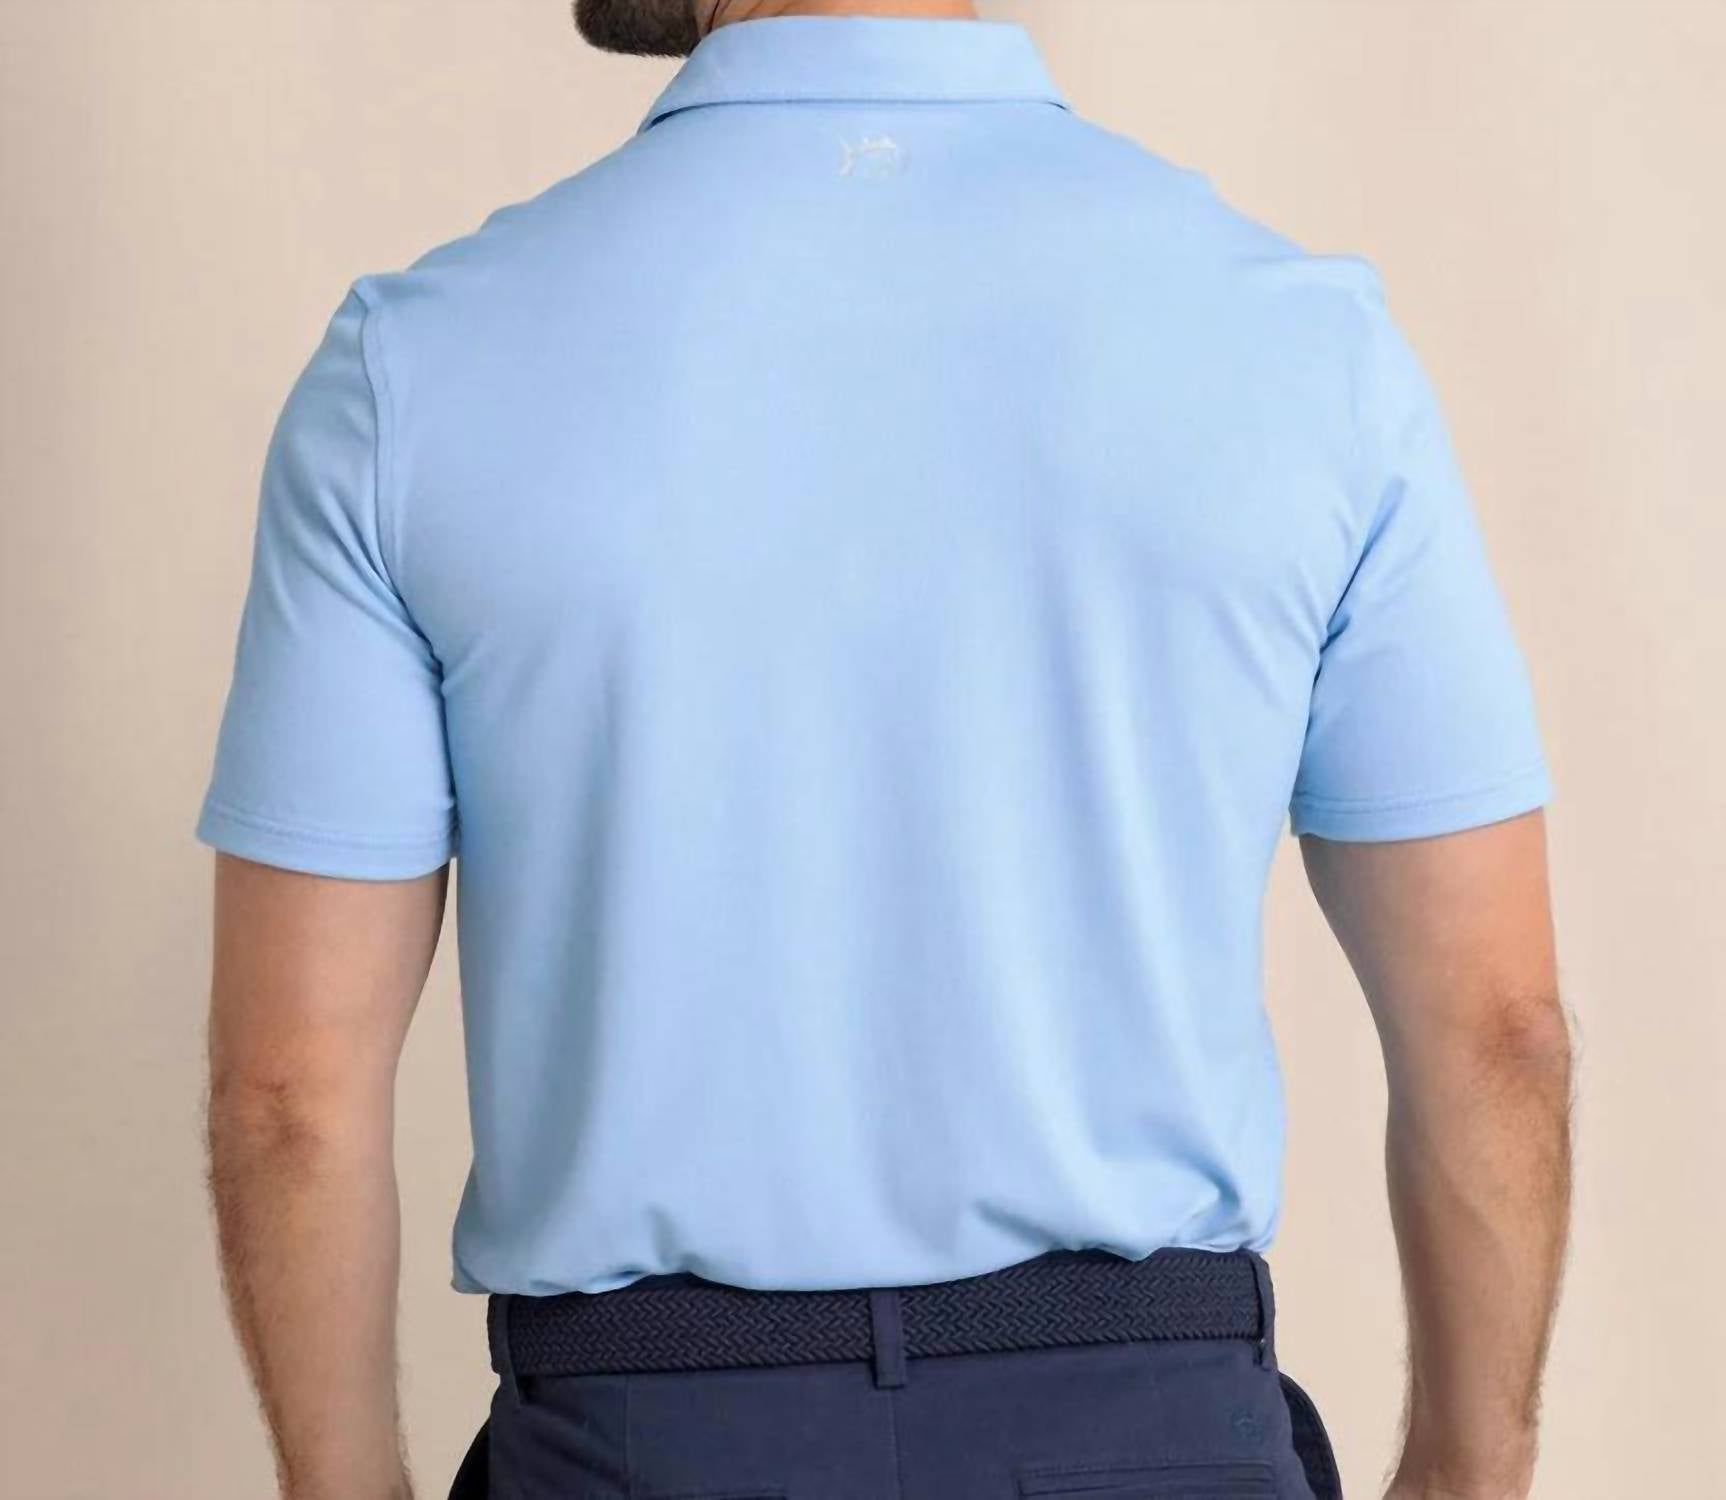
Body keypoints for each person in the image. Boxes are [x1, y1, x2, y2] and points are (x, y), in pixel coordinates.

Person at [194, 3, 1573, 1498]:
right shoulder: (1307, 345)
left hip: (646, 1444)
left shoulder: (415, 367)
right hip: (1154, 1434)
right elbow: (1494, 1032)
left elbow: (289, 1099)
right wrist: (1467, 1475)